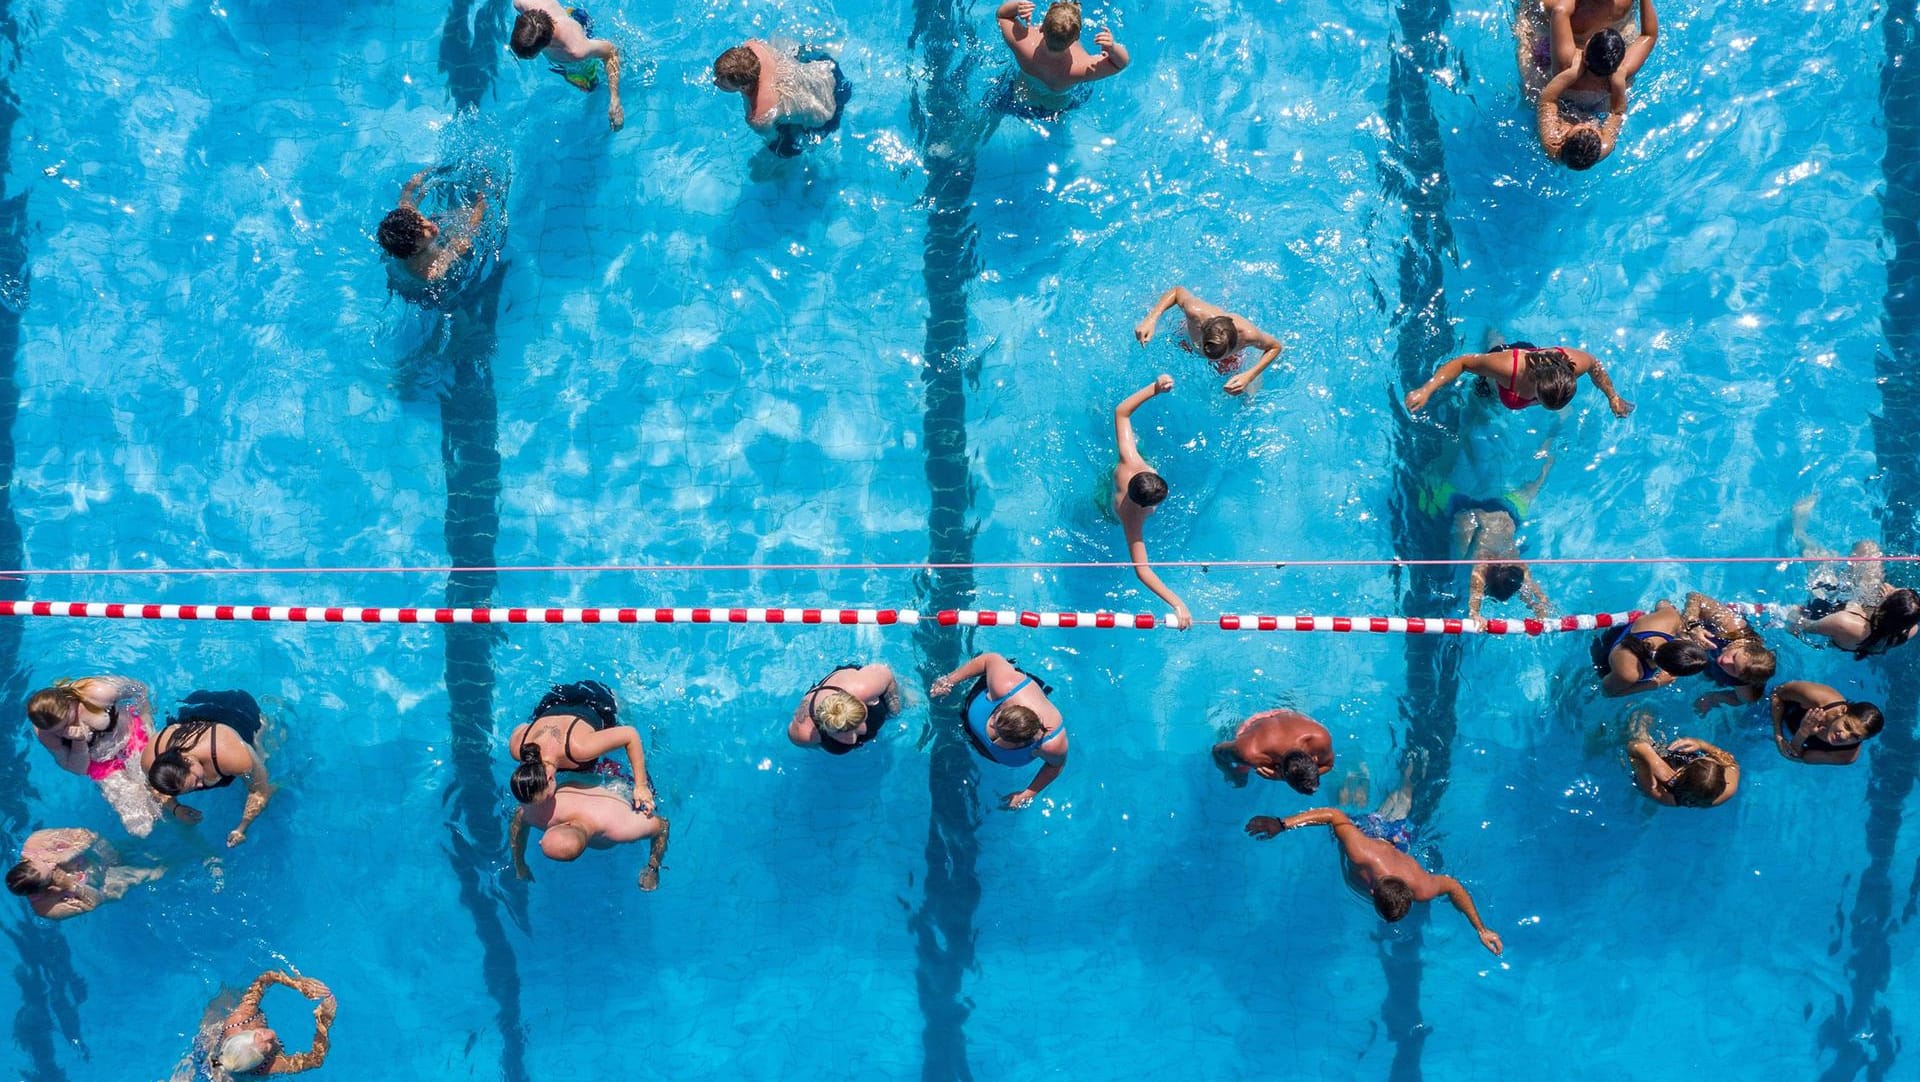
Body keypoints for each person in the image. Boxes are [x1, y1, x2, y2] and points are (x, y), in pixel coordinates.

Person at [1245, 755, 1503, 956]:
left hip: (1395, 841)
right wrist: (1282, 823)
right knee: (1358, 800)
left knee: (1403, 797)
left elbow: (1455, 887)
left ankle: (1411, 768)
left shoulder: (1421, 885)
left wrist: (1482, 929)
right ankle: (1377, 766)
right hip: (1373, 833)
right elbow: (1334, 815)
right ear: (1372, 893)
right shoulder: (1363, 854)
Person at [1422, 435, 1556, 621]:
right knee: (1428, 480)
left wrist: (1538, 605)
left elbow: (1526, 587)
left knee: (1539, 480)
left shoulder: (1515, 567)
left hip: (1503, 512)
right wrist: (1475, 613)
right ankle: (1459, 438)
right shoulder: (1488, 567)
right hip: (1471, 512)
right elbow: (1477, 592)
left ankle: (1549, 448)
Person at [27, 675, 176, 836]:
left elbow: (140, 689)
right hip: (102, 765)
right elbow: (77, 769)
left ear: (71, 704)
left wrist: (146, 718)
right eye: (56, 731)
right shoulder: (45, 733)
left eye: (65, 724)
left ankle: (175, 809)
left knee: (159, 781)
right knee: (141, 827)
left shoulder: (98, 692)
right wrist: (78, 741)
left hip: (132, 737)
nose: (61, 732)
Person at [932, 652, 1067, 810]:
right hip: (978, 691)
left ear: (1021, 742)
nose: (990, 726)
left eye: (998, 732)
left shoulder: (1050, 745)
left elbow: (1056, 765)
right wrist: (950, 680)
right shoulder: (1005, 687)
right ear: (1007, 706)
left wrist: (1027, 794)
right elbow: (990, 659)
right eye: (996, 716)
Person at [141, 691, 275, 848]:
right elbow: (153, 787)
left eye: (197, 780)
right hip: (194, 710)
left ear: (187, 759)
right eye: (189, 788)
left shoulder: (232, 755)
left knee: (263, 755)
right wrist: (175, 808)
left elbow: (262, 791)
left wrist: (242, 828)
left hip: (239, 712)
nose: (200, 786)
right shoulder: (150, 760)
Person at [1110, 374, 1193, 628]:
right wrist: (1177, 603)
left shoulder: (1131, 461)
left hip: (1116, 478)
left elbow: (1121, 412)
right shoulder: (1131, 518)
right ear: (1143, 506)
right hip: (1109, 508)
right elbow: (1142, 570)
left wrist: (1155, 388)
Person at [1788, 499, 1920, 657]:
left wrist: (1793, 615)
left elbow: (1805, 626)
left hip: (1831, 612)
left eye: (1892, 592)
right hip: (1867, 611)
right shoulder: (1909, 627)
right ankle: (1841, 568)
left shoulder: (1845, 623)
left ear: (1885, 609)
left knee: (1821, 560)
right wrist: (1885, 600)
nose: (1889, 586)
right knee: (1868, 549)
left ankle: (1798, 530)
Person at [508, 681, 656, 813]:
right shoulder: (517, 747)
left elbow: (630, 734)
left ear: (549, 777)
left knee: (629, 721)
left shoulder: (580, 749)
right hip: (553, 698)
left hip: (596, 699)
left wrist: (641, 785)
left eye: (546, 797)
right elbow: (522, 726)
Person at [1405, 331, 1632, 417]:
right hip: (1503, 362)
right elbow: (1463, 363)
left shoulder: (1575, 363)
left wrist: (1612, 396)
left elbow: (1595, 366)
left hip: (1534, 356)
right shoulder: (1507, 369)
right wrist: (1426, 389)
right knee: (1478, 409)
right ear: (1535, 386)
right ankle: (1490, 326)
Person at [511, 776, 670, 890]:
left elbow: (662, 825)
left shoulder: (621, 827)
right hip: (594, 775)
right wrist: (519, 863)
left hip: (621, 784)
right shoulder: (548, 810)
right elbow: (519, 816)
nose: (539, 842)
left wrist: (653, 867)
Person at [1133, 286, 1285, 395]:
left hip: (1228, 360)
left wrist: (1249, 376)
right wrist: (1151, 319)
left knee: (1247, 395)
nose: (1209, 358)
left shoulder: (1248, 335)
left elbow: (1275, 347)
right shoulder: (1196, 313)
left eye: (1217, 355)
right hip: (1187, 342)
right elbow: (1177, 292)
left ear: (1236, 344)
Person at [183, 971, 336, 1078]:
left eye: (259, 1034)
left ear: (244, 1033)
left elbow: (264, 979)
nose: (270, 1035)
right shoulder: (269, 1067)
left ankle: (191, 1065)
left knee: (230, 994)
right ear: (261, 1061)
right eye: (268, 1046)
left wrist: (298, 983)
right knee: (219, 1070)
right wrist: (324, 1022)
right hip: (232, 1068)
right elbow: (316, 1060)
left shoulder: (240, 1019)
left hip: (215, 1044)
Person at [712, 41, 852, 157]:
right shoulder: (755, 46)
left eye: (722, 83)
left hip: (828, 114)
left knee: (779, 152)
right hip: (826, 69)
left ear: (743, 87)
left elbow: (772, 138)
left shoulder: (757, 115)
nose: (715, 82)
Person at [995, 1, 1129, 115]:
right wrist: (1112, 48)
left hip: (1021, 98)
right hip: (1056, 109)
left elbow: (1002, 16)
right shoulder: (1080, 67)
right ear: (1076, 37)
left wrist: (1017, 6)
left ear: (1042, 27)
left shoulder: (1023, 45)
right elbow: (1120, 64)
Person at [509, 0, 624, 130]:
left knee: (590, 86)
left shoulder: (575, 50)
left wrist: (615, 98)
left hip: (580, 28)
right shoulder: (521, 3)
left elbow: (611, 52)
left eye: (528, 56)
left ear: (546, 45)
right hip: (564, 18)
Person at [6, 829, 163, 921]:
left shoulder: (36, 844)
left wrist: (66, 854)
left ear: (26, 861)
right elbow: (95, 901)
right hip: (107, 883)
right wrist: (70, 885)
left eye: (45, 862)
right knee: (156, 872)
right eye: (50, 870)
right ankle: (182, 861)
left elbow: (89, 835)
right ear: (42, 888)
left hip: (99, 857)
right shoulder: (45, 907)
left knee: (145, 845)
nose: (52, 864)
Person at [377, 169, 489, 285]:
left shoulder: (408, 216)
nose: (429, 225)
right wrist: (481, 201)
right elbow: (466, 238)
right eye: (421, 233)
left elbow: (408, 189)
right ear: (415, 250)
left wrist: (433, 170)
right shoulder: (429, 270)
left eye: (421, 220)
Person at [1680, 591, 1777, 712]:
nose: (1725, 662)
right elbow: (1695, 596)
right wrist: (1692, 625)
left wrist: (1713, 698)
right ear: (1742, 646)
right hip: (1704, 634)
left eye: (1734, 669)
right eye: (1734, 657)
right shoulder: (1732, 627)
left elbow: (1744, 699)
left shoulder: (1744, 677)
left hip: (1708, 664)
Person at [1591, 599, 1710, 698]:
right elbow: (1607, 692)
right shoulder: (1630, 673)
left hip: (1616, 632)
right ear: (1670, 672)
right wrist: (1655, 683)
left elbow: (1662, 602)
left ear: (1680, 640)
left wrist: (1690, 627)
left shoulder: (1669, 619)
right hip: (1605, 658)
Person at [1625, 712, 1738, 808]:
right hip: (1687, 779)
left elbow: (1632, 749)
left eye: (1701, 758)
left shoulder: (1665, 795)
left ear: (1683, 771)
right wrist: (1702, 745)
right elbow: (1730, 762)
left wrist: (1653, 759)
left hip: (1641, 770)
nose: (1708, 755)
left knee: (1637, 721)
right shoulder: (1727, 791)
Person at [789, 662, 902, 754]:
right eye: (848, 730)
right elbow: (813, 746)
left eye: (860, 720)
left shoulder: (862, 688)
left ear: (857, 701)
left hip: (853, 682)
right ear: (827, 730)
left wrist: (894, 704)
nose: (854, 737)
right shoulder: (803, 733)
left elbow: (887, 673)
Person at [1211, 710, 1333, 793]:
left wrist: (1280, 777)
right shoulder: (1251, 753)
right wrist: (1230, 773)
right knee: (1240, 777)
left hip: (1285, 713)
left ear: (1314, 759)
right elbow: (1216, 751)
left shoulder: (1320, 738)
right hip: (1253, 725)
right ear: (1314, 759)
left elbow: (1328, 765)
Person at [1771, 681, 1885, 767]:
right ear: (1843, 711)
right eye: (1847, 726)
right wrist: (1777, 733)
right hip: (1776, 712)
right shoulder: (1820, 700)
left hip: (1792, 737)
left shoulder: (1846, 755)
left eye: (1855, 737)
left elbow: (1797, 758)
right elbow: (1777, 693)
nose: (1844, 736)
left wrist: (1803, 733)